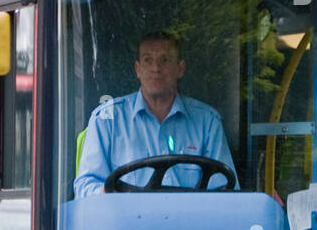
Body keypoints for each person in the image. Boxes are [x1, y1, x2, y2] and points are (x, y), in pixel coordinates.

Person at [73, 31, 237, 197]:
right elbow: (86, 187)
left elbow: (224, 192)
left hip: (190, 221)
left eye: (165, 60)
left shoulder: (207, 122)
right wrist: (111, 197)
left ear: (180, 69)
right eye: (147, 60)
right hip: (127, 221)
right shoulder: (106, 120)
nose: (156, 68)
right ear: (138, 69)